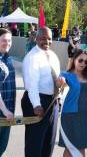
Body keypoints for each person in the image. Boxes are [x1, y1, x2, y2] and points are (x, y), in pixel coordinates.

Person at [21, 27, 61, 157]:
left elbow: (57, 79)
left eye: (49, 39)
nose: (47, 41)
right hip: (36, 102)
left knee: (48, 143)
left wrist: (59, 99)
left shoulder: (53, 56)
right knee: (35, 144)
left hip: (52, 102)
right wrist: (37, 105)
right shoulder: (32, 57)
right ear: (37, 39)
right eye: (43, 38)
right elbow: (32, 84)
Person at [56, 49, 87, 157]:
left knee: (82, 147)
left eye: (86, 62)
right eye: (80, 60)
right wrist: (60, 82)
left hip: (85, 117)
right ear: (74, 59)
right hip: (69, 116)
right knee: (70, 147)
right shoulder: (65, 75)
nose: (83, 63)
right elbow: (58, 84)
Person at [0, 28, 16, 156]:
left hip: (8, 111)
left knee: (2, 145)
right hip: (2, 111)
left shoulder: (7, 58)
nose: (8, 43)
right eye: (4, 40)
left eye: (9, 40)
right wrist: (5, 110)